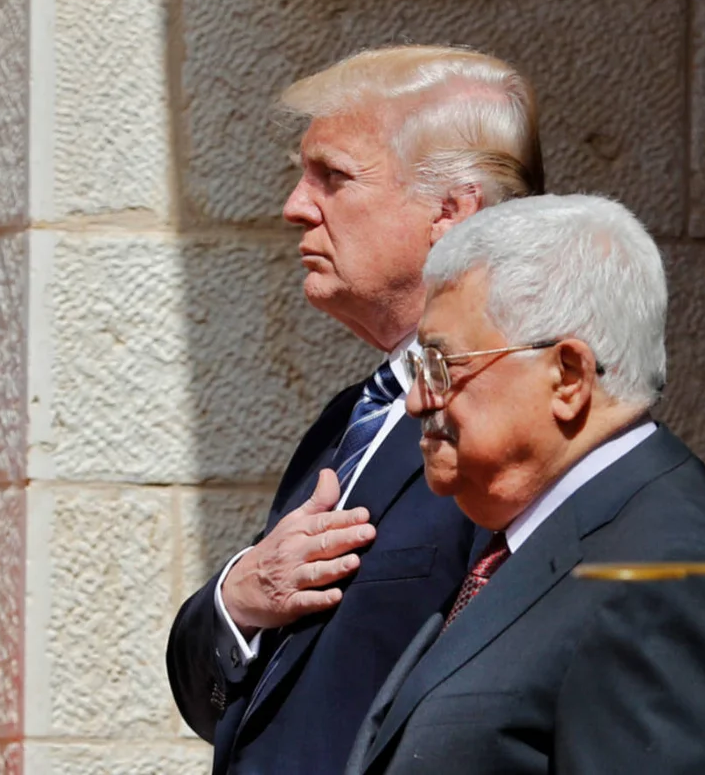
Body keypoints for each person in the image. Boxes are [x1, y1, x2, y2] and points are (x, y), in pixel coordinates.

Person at [165, 45, 546, 775]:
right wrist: (241, 596)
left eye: (333, 177)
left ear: (451, 212)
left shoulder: (520, 424)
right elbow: (223, 704)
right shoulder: (351, 419)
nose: (294, 206)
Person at [345, 194, 705, 775]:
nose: (418, 400)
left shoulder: (673, 575)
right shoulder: (540, 535)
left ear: (568, 376)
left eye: (441, 366)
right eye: (418, 370)